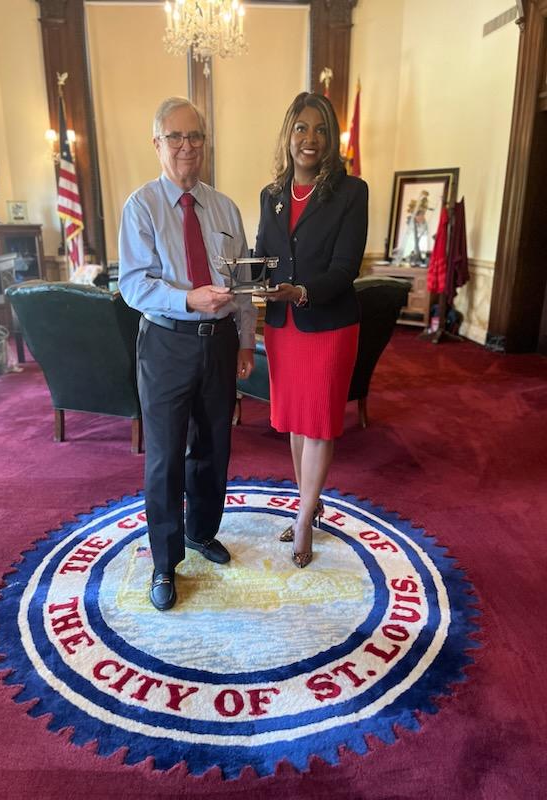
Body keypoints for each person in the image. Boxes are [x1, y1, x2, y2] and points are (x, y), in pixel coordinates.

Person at [118, 97, 256, 611]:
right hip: (166, 342)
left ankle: (201, 532)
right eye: (175, 137)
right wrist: (187, 298)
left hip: (219, 344)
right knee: (165, 456)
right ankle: (164, 560)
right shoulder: (141, 207)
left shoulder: (225, 208)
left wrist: (245, 340)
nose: (187, 146)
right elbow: (133, 285)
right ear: (158, 144)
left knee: (214, 447)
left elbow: (242, 282)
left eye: (195, 136)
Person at [254, 92, 368, 568]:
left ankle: (303, 520)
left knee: (319, 422)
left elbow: (345, 269)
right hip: (284, 327)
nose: (310, 139)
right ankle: (310, 503)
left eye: (320, 129)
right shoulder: (272, 195)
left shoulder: (351, 191)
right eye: (301, 128)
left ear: (331, 139)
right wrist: (246, 276)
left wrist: (299, 291)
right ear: (288, 134)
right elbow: (264, 253)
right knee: (296, 422)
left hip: (327, 322)